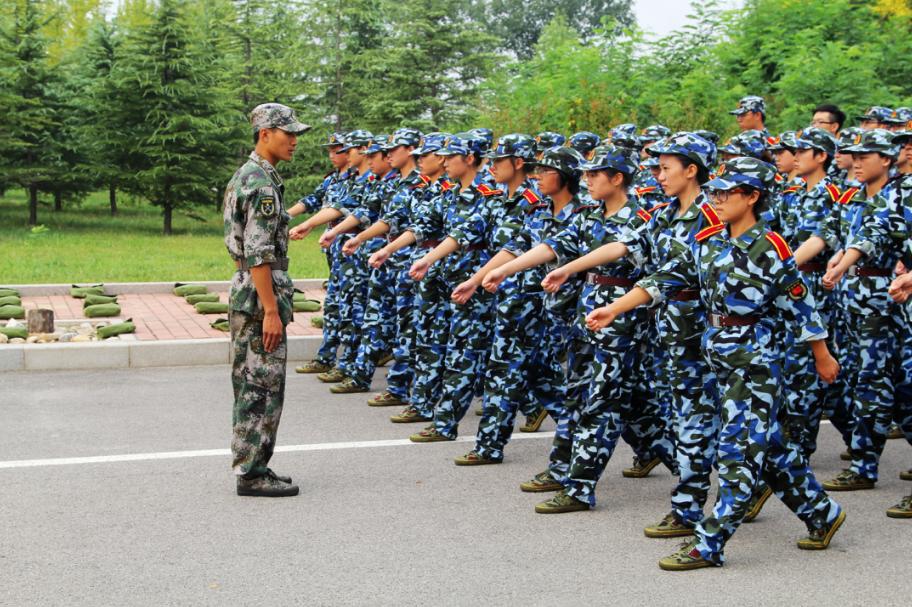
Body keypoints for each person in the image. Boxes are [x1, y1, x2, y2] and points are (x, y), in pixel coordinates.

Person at [587, 156, 845, 570]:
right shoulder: (710, 240)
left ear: (753, 197)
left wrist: (822, 354)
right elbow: (665, 279)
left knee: (737, 454)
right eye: (717, 192)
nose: (718, 199)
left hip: (755, 361)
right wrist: (615, 308)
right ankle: (822, 514)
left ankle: (709, 543)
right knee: (771, 447)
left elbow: (801, 304)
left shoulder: (770, 248)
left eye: (728, 193)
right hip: (717, 354)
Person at [224, 103, 310, 498]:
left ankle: (254, 463)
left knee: (252, 382)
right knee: (260, 385)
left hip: (249, 289)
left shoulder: (252, 175)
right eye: (287, 133)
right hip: (259, 296)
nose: (294, 141)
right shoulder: (259, 182)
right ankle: (252, 472)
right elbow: (258, 252)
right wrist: (271, 310)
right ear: (264, 134)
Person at [341, 128, 425, 408]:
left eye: (394, 149)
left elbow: (416, 227)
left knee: (407, 326)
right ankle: (361, 375)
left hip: (410, 261)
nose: (389, 154)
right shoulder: (391, 182)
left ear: (411, 150)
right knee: (375, 318)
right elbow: (384, 218)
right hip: (387, 259)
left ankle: (401, 385)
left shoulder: (422, 184)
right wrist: (360, 238)